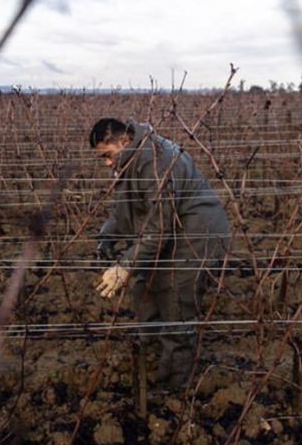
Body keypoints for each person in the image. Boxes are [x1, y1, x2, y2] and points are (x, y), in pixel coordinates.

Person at [90, 118, 230, 388]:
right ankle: (150, 368)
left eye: (107, 155)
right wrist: (106, 237)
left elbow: (159, 224)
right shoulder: (131, 159)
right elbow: (126, 206)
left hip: (196, 236)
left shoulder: (157, 161)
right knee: (145, 293)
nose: (107, 163)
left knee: (176, 306)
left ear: (123, 141)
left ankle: (173, 390)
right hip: (168, 233)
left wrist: (125, 266)